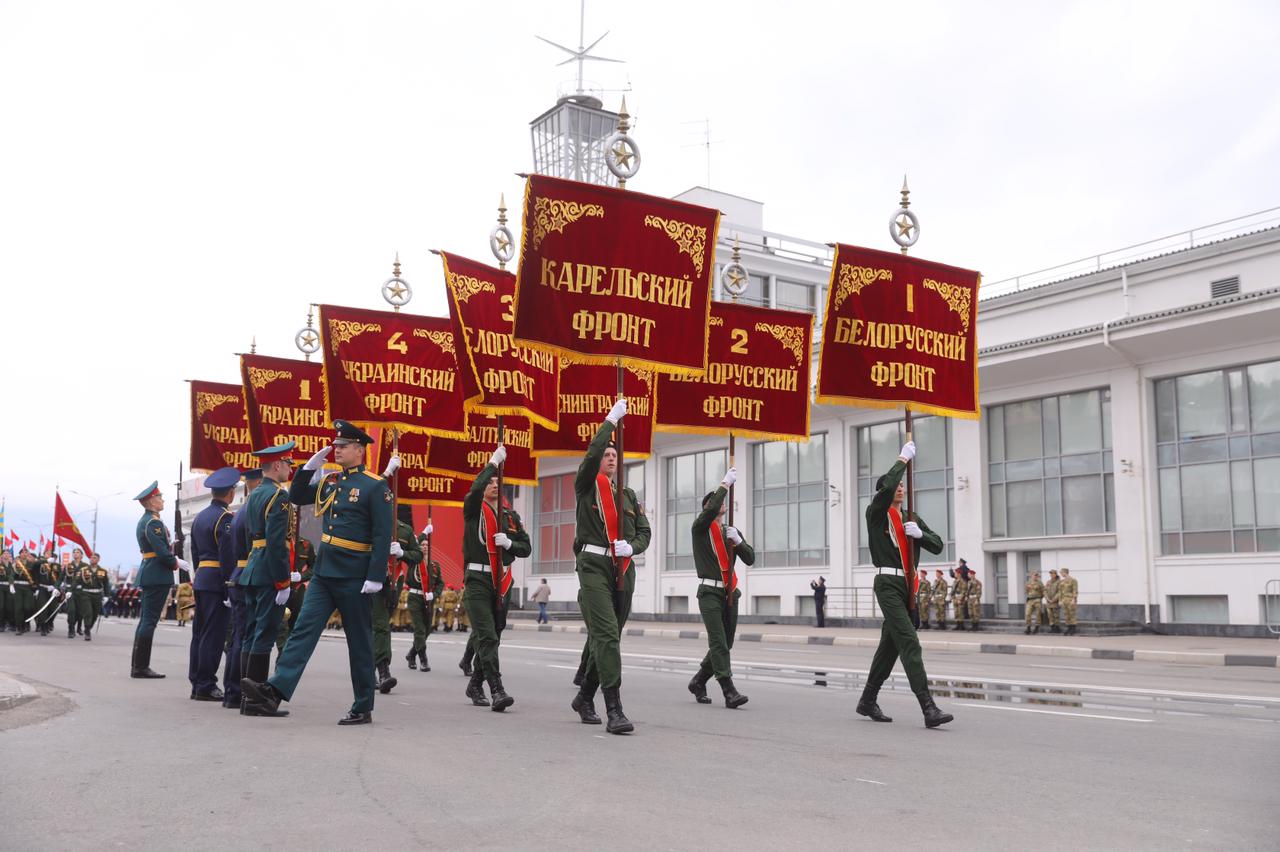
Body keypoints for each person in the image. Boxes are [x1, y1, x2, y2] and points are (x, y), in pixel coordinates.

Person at [241, 420, 393, 726]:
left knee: (360, 642)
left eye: (342, 446)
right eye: (335, 445)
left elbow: (381, 534)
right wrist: (309, 468)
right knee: (302, 631)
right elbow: (297, 496)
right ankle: (274, 691)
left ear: (359, 450)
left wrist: (376, 575)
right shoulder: (333, 480)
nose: (335, 450)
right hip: (325, 572)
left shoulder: (375, 486)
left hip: (354, 575)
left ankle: (363, 705)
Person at [855, 440, 953, 728]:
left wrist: (920, 534)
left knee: (890, 646)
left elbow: (938, 545)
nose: (899, 487)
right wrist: (902, 459)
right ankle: (928, 707)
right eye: (894, 484)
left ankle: (867, 699)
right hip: (887, 582)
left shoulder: (911, 518)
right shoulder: (876, 515)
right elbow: (885, 490)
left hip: (908, 587)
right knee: (909, 641)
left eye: (901, 484)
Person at [571, 398, 650, 734]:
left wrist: (631, 545)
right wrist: (609, 422)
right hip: (592, 566)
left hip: (622, 569)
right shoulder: (586, 486)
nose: (611, 458)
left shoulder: (628, 496)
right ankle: (614, 709)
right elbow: (590, 457)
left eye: (615, 455)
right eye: (606, 454)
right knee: (606, 635)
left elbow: (645, 533)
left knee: (609, 637)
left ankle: (584, 695)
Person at [462, 444, 532, 712]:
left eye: (497, 482)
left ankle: (475, 683)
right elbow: (475, 487)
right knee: (487, 636)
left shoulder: (510, 517)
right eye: (489, 482)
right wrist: (493, 463)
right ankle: (497, 689)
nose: (493, 485)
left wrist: (509, 545)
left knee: (494, 636)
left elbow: (526, 548)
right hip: (478, 579)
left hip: (501, 581)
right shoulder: (473, 510)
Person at [237, 442, 299, 717]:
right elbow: (276, 544)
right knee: (264, 634)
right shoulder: (279, 496)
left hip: (252, 569)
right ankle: (257, 699)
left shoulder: (254, 494)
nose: (289, 469)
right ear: (276, 465)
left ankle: (245, 697)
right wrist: (283, 582)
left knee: (251, 634)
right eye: (287, 464)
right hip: (268, 572)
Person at [685, 468, 754, 709]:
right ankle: (728, 690)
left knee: (726, 642)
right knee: (718, 641)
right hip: (709, 593)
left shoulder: (730, 531)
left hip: (729, 592)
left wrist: (739, 541)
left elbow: (750, 558)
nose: (722, 503)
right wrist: (725, 483)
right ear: (708, 508)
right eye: (717, 501)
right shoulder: (700, 529)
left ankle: (699, 681)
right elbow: (711, 510)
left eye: (723, 500)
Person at [186, 466, 238, 702]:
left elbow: (196, 553)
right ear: (230, 493)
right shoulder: (224, 518)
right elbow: (227, 556)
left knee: (199, 633)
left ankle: (197, 681)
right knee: (213, 635)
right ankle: (206, 684)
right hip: (217, 581)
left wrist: (199, 574)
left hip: (202, 579)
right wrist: (229, 584)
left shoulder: (200, 518)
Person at [132, 481, 189, 678]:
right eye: (159, 497)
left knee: (145, 621)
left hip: (152, 572)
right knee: (149, 621)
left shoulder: (148, 520)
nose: (162, 500)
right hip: (157, 573)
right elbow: (161, 552)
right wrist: (176, 562)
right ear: (150, 501)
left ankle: (137, 665)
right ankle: (141, 667)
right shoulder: (153, 522)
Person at [224, 467, 262, 710]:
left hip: (238, 574)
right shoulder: (254, 510)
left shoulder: (239, 511)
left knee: (238, 636)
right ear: (259, 482)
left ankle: (232, 691)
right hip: (251, 574)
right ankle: (241, 691)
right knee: (247, 637)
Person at [372, 504, 418, 695]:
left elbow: (418, 555)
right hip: (370, 580)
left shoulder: (404, 530)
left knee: (378, 626)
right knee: (380, 624)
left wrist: (402, 553)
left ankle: (371, 668)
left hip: (394, 582)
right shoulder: (367, 524)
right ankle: (383, 671)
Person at [404, 524, 441, 672]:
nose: (425, 547)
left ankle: (411, 654)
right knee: (419, 629)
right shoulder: (414, 561)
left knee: (427, 630)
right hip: (414, 597)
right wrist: (424, 533)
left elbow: (440, 583)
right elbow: (411, 547)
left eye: (426, 545)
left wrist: (435, 594)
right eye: (422, 545)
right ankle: (423, 659)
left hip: (428, 599)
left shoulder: (435, 565)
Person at [75, 553, 110, 640]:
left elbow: (106, 584)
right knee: (88, 613)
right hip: (86, 594)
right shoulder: (84, 570)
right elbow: (76, 581)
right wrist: (73, 589)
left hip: (97, 595)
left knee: (95, 614)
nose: (92, 559)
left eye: (94, 558)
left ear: (98, 560)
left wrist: (107, 596)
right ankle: (87, 631)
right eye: (91, 558)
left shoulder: (103, 571)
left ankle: (88, 627)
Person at [65, 548, 91, 637]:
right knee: (71, 611)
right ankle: (71, 629)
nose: (75, 554)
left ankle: (78, 627)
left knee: (80, 612)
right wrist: (57, 587)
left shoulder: (86, 566)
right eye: (74, 552)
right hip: (70, 592)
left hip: (81, 592)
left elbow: (88, 580)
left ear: (81, 555)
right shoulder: (68, 565)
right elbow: (61, 577)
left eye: (78, 552)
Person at [1059, 568, 1079, 635]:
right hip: (1064, 599)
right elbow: (1060, 592)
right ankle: (1069, 627)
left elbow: (1075, 590)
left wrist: (1074, 599)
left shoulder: (1073, 580)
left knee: (1072, 614)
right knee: (1066, 614)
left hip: (1070, 599)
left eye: (1061, 572)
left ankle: (1073, 628)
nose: (1061, 574)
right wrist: (1060, 600)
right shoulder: (1062, 581)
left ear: (1065, 572)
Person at [950, 567, 969, 631]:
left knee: (960, 612)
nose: (954, 574)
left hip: (960, 599)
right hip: (955, 598)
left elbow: (964, 591)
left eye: (956, 573)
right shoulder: (955, 581)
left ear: (959, 574)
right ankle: (957, 625)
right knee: (956, 612)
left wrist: (960, 599)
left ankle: (961, 625)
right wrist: (952, 597)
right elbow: (953, 590)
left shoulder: (962, 581)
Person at [965, 566, 982, 631]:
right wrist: (967, 596)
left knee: (976, 613)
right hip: (970, 599)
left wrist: (977, 599)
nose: (968, 575)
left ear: (972, 575)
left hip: (975, 599)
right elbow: (967, 590)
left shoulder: (978, 582)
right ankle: (973, 626)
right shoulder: (969, 582)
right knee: (970, 613)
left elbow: (979, 591)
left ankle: (976, 626)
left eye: (969, 574)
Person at [1045, 569, 1062, 633]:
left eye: (1053, 573)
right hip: (1049, 602)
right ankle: (1052, 628)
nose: (1051, 575)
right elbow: (1045, 591)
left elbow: (1060, 592)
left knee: (1056, 615)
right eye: (1050, 573)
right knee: (1050, 615)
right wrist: (1047, 599)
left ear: (1055, 574)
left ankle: (1057, 628)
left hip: (1055, 602)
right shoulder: (1048, 582)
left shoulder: (1059, 582)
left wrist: (1054, 599)